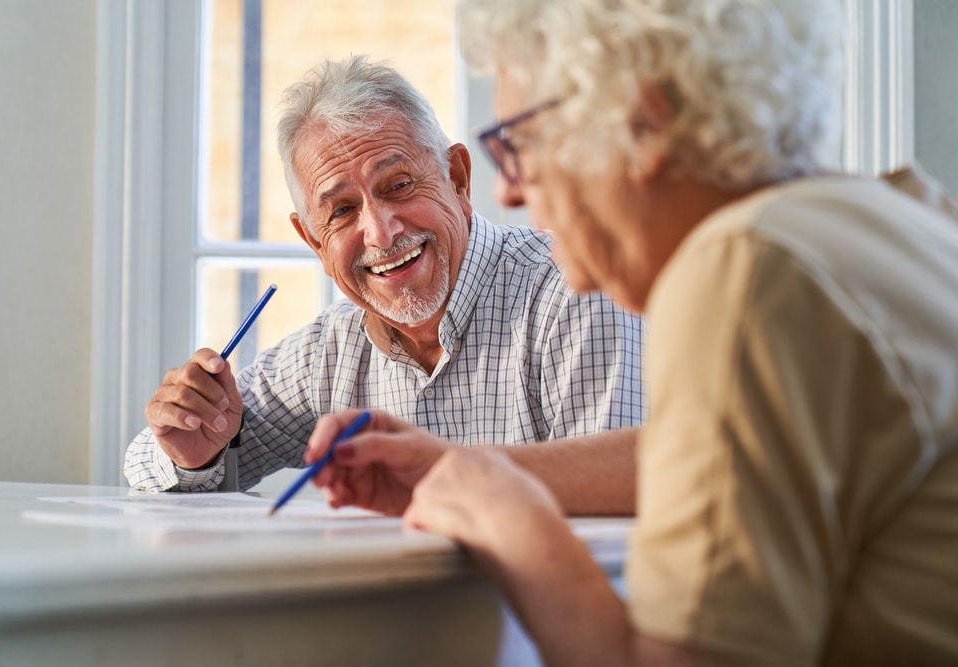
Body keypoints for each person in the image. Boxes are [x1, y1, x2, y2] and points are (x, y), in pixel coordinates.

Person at [306, 1, 958, 664]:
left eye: (518, 144)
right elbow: (715, 458)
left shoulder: (744, 267)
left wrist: (515, 526)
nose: (509, 193)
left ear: (638, 123)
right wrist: (469, 468)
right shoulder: (901, 215)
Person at [124, 55, 645, 493]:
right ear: (314, 242)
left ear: (458, 180)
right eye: (342, 210)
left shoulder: (574, 292)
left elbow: (619, 508)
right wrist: (194, 450)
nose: (380, 231)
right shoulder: (330, 350)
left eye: (398, 186)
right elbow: (145, 463)